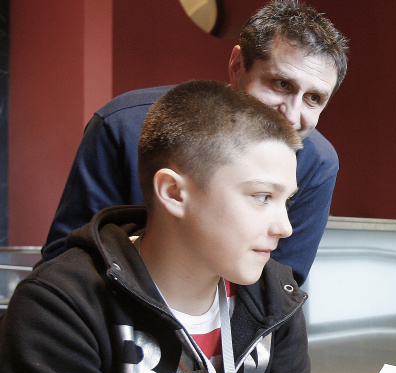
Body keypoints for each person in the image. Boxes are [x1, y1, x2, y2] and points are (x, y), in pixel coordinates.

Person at [0, 80, 322, 373]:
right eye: (261, 197)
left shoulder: (273, 295)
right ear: (173, 193)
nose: (285, 227)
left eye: (286, 200)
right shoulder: (62, 307)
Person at [41, 0, 349, 286]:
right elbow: (64, 261)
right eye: (281, 84)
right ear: (238, 65)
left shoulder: (318, 162)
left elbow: (281, 287)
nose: (292, 115)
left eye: (313, 98)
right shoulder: (123, 125)